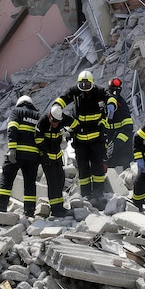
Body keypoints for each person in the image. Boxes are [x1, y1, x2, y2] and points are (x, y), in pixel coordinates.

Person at [52, 70, 117, 207]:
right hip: (80, 140)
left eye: (88, 85)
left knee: (98, 166)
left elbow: (109, 96)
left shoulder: (98, 91)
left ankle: (99, 193)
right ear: (78, 83)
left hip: (96, 138)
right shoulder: (74, 91)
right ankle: (86, 195)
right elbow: (63, 98)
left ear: (92, 84)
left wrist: (111, 104)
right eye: (83, 84)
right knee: (83, 168)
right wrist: (57, 106)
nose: (85, 88)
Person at [0, 95, 41, 217]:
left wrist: (12, 149)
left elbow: (12, 129)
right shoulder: (38, 115)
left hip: (18, 153)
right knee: (30, 183)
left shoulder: (16, 112)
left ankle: (1, 206)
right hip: (33, 156)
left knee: (7, 178)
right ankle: (29, 211)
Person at [35, 105, 75, 217]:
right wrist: (44, 155)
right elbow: (38, 138)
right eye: (53, 121)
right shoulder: (43, 122)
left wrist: (70, 133)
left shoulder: (63, 119)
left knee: (60, 180)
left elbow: (75, 124)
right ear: (49, 116)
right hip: (47, 158)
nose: (55, 124)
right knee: (52, 182)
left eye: (57, 122)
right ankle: (55, 209)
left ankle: (60, 207)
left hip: (57, 156)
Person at [105, 77, 134, 171]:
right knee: (106, 160)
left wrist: (117, 142)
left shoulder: (121, 103)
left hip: (119, 137)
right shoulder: (102, 100)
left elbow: (128, 127)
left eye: (116, 91)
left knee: (125, 160)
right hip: (106, 136)